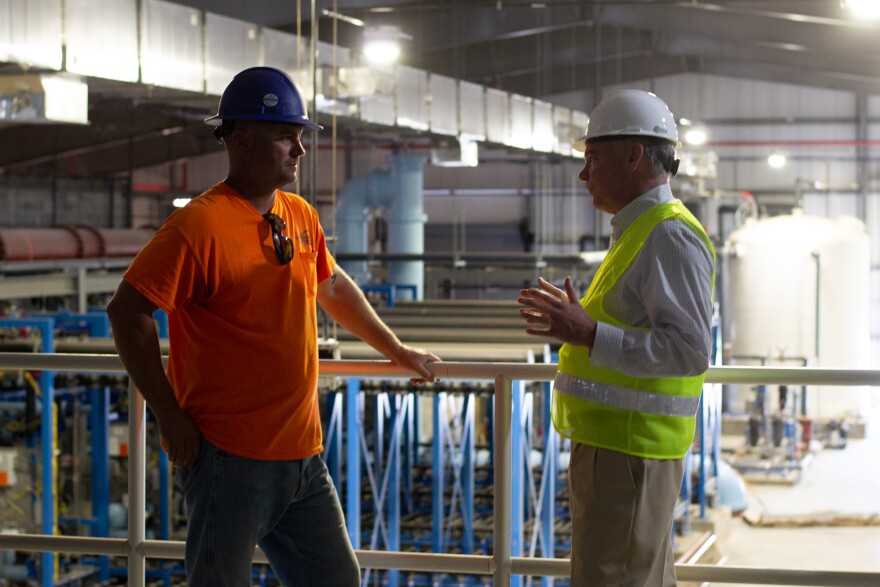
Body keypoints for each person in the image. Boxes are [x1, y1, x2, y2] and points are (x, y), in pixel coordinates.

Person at [107, 66, 440, 587]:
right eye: (287, 137)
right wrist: (168, 415)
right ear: (242, 141)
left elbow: (330, 287)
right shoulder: (199, 226)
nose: (300, 151)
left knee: (337, 581)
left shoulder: (299, 214)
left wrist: (396, 351)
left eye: (300, 137)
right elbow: (127, 312)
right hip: (228, 458)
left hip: (303, 458)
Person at [517, 89, 715, 587]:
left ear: (633, 157)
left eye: (593, 159)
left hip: (631, 452)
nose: (584, 175)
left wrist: (589, 333)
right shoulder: (638, 231)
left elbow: (689, 351)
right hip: (619, 447)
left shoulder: (668, 235)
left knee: (613, 578)